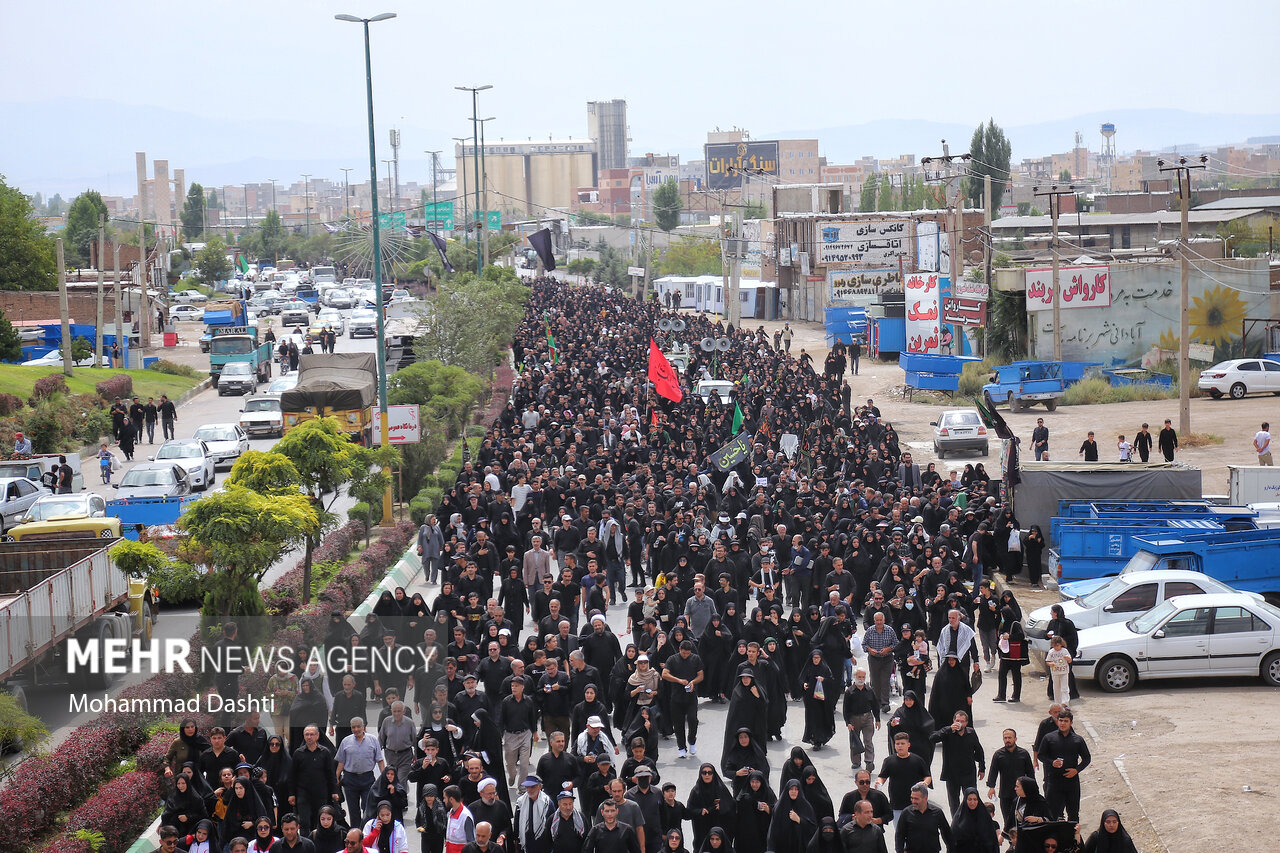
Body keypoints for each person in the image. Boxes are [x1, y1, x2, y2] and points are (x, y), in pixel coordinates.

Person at [1036, 708, 1089, 823]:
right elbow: (1041, 755)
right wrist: (1051, 762)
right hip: (1054, 781)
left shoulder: (1078, 740)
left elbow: (1087, 758)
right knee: (1052, 814)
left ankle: (1073, 839)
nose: (1063, 723)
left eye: (1066, 721)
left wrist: (1076, 770)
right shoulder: (1049, 738)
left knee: (1073, 814)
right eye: (1061, 720)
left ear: (1071, 723)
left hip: (1072, 782)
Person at [929, 710, 985, 815]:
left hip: (968, 773)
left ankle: (970, 820)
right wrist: (948, 729)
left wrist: (982, 768)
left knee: (971, 799)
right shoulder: (947, 732)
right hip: (952, 774)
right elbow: (932, 738)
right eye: (957, 720)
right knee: (954, 802)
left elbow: (978, 750)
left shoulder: (971, 733)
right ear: (953, 721)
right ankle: (956, 824)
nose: (959, 723)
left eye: (962, 721)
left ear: (966, 723)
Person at [336, 717, 386, 828]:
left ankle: (367, 833)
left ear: (363, 727)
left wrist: (385, 777)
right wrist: (337, 777)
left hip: (367, 779)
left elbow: (380, 760)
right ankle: (355, 836)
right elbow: (341, 762)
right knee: (353, 811)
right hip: (350, 779)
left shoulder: (373, 740)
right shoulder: (346, 741)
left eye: (359, 726)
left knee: (368, 809)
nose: (356, 729)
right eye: (353, 727)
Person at [987, 729, 1034, 836]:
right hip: (1006, 795)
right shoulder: (998, 755)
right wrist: (991, 787)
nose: (1007, 740)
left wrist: (1032, 791)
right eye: (1005, 738)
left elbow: (1030, 774)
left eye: (1010, 737)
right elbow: (993, 771)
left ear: (1015, 739)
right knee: (1008, 822)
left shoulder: (1024, 754)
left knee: (1023, 821)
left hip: (1022, 795)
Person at [893, 782, 951, 853]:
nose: (913, 801)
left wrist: (950, 849)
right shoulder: (906, 813)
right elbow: (899, 835)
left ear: (925, 798)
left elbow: (946, 833)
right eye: (912, 798)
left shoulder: (937, 813)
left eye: (916, 799)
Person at [842, 669, 880, 774]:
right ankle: (856, 761)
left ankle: (869, 762)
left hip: (867, 718)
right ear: (855, 677)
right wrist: (848, 723)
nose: (861, 679)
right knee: (855, 741)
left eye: (863, 677)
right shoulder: (849, 691)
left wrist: (877, 719)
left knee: (868, 741)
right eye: (859, 677)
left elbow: (875, 706)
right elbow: (845, 709)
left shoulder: (869, 690)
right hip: (854, 719)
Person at [949, 788, 999, 853]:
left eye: (975, 799)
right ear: (965, 800)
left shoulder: (985, 818)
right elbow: (953, 843)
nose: (972, 802)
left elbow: (993, 842)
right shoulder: (958, 820)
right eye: (970, 799)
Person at [1045, 637, 1072, 708]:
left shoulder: (1064, 651)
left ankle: (1065, 703)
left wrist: (1068, 659)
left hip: (1064, 672)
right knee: (1056, 688)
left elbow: (1070, 661)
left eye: (1057, 646)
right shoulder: (1051, 652)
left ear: (1061, 644)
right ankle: (1057, 703)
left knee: (1064, 688)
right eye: (1054, 646)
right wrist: (1050, 664)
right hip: (1055, 672)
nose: (1056, 648)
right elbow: (1047, 661)